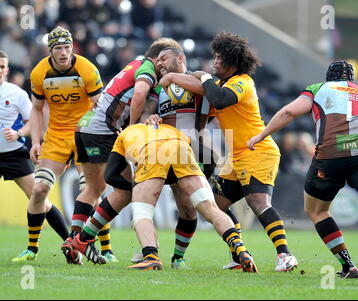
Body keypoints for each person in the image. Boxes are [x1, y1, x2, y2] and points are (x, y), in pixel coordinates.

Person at [161, 31, 298, 272]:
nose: (214, 62)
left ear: (231, 61)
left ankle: (285, 256)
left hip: (258, 151)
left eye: (218, 58)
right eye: (213, 57)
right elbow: (208, 99)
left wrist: (196, 77)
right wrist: (176, 78)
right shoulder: (221, 85)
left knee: (258, 203)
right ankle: (238, 254)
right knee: (215, 204)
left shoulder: (242, 82)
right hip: (236, 158)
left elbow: (220, 99)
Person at [66, 122, 258, 273]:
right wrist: (200, 179)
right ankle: (240, 248)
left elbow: (110, 176)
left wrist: (137, 188)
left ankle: (151, 256)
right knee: (211, 210)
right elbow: (209, 156)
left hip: (152, 152)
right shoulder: (168, 128)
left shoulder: (123, 135)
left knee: (142, 214)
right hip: (181, 149)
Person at [61, 37, 183, 264]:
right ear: (157, 58)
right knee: (127, 191)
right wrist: (131, 128)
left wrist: (148, 117)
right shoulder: (146, 67)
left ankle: (73, 241)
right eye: (164, 60)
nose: (166, 66)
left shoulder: (139, 68)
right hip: (103, 132)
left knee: (94, 188)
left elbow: (141, 103)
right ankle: (84, 240)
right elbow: (138, 96)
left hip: (85, 126)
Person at [248, 60, 358, 278]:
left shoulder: (317, 89)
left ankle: (348, 266)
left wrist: (261, 135)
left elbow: (289, 112)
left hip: (330, 157)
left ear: (329, 77)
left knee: (317, 211)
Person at [12, 26, 106, 264]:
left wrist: (89, 129)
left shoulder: (86, 68)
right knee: (39, 189)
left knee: (92, 189)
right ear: (50, 50)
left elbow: (100, 105)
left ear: (72, 46)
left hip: (85, 135)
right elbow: (36, 110)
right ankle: (32, 249)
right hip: (55, 136)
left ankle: (102, 248)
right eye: (58, 48)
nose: (63, 52)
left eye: (66, 47)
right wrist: (35, 141)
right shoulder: (39, 72)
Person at [132, 46, 217, 269]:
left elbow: (206, 90)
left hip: (191, 149)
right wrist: (149, 117)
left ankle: (178, 258)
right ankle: (148, 248)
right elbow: (146, 111)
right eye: (157, 60)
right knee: (146, 201)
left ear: (180, 58)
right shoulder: (158, 88)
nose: (159, 63)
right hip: (162, 151)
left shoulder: (196, 77)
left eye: (164, 58)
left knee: (189, 208)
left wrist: (170, 76)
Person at [0, 50, 69, 262]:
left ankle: (70, 244)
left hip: (14, 155)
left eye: (2, 67)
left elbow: (34, 121)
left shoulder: (15, 93)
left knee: (39, 197)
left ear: (7, 70)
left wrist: (19, 133)